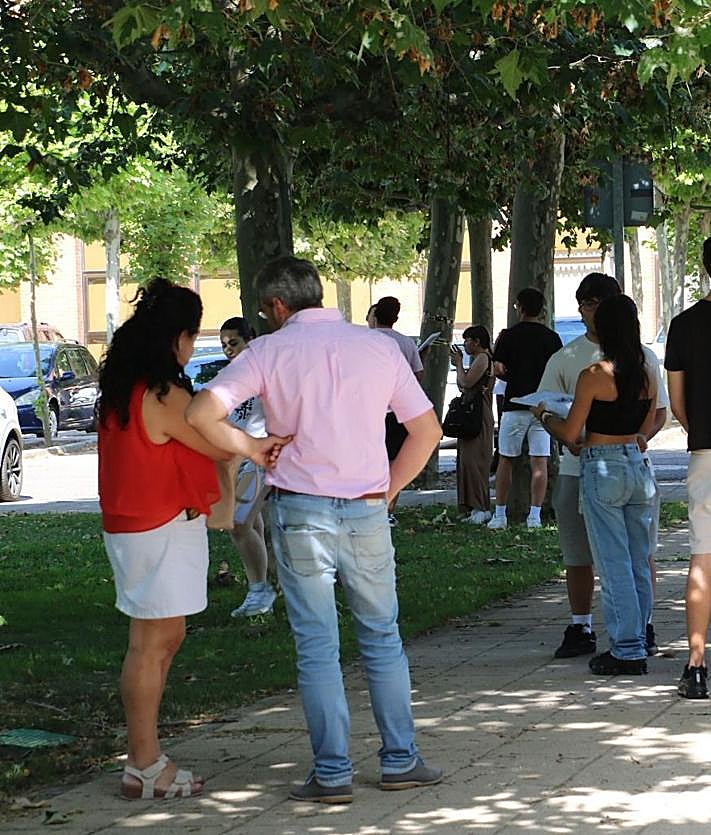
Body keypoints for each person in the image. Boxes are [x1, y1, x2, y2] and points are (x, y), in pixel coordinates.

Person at [187, 256, 443, 804]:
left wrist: (252, 446)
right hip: (367, 506)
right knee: (381, 635)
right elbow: (426, 430)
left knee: (317, 645)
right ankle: (400, 759)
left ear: (277, 306)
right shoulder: (376, 347)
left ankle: (331, 773)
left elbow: (201, 413)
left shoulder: (266, 351)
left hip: (300, 510)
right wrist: (390, 488)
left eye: (264, 310)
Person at [98, 279, 287, 800]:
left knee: (159, 639)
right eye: (192, 336)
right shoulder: (163, 393)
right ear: (177, 337)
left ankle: (144, 760)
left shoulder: (126, 388)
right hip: (158, 526)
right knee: (152, 645)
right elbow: (215, 438)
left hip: (139, 525)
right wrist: (255, 446)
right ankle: (144, 763)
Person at [539, 273, 668, 660]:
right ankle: (641, 633)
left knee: (613, 563)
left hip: (601, 464)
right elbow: (650, 422)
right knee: (638, 558)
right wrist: (638, 436)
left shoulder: (594, 375)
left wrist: (545, 416)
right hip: (637, 463)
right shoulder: (645, 371)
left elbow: (571, 432)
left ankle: (626, 647)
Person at [666, 236, 711, 699]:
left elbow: (677, 404)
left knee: (702, 559)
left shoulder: (683, 325)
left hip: (706, 453)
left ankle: (696, 666)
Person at [488, 287, 562, 530]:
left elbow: (498, 368)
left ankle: (500, 514)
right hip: (541, 406)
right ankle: (535, 516)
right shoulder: (551, 338)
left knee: (506, 459)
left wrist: (512, 375)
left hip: (515, 404)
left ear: (520, 308)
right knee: (539, 462)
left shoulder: (508, 336)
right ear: (542, 310)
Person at [219, 316, 277, 618]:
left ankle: (260, 591)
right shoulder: (229, 375)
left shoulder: (264, 373)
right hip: (235, 458)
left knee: (239, 522)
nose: (228, 349)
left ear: (249, 340)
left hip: (258, 458)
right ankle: (263, 587)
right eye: (224, 345)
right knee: (251, 524)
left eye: (234, 342)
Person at [367, 296, 424, 524]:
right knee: (395, 463)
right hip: (398, 412)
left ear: (374, 316)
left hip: (369, 411)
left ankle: (371, 508)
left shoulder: (364, 341)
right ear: (396, 318)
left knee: (371, 462)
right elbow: (418, 375)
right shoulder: (406, 343)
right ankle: (389, 510)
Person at [450, 325, 494, 524]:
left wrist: (459, 363)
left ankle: (480, 506)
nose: (465, 344)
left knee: (475, 460)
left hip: (478, 414)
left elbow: (467, 382)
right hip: (470, 412)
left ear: (476, 342)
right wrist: (460, 367)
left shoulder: (483, 358)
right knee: (466, 460)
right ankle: (468, 505)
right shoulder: (476, 360)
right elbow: (463, 385)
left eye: (467, 340)